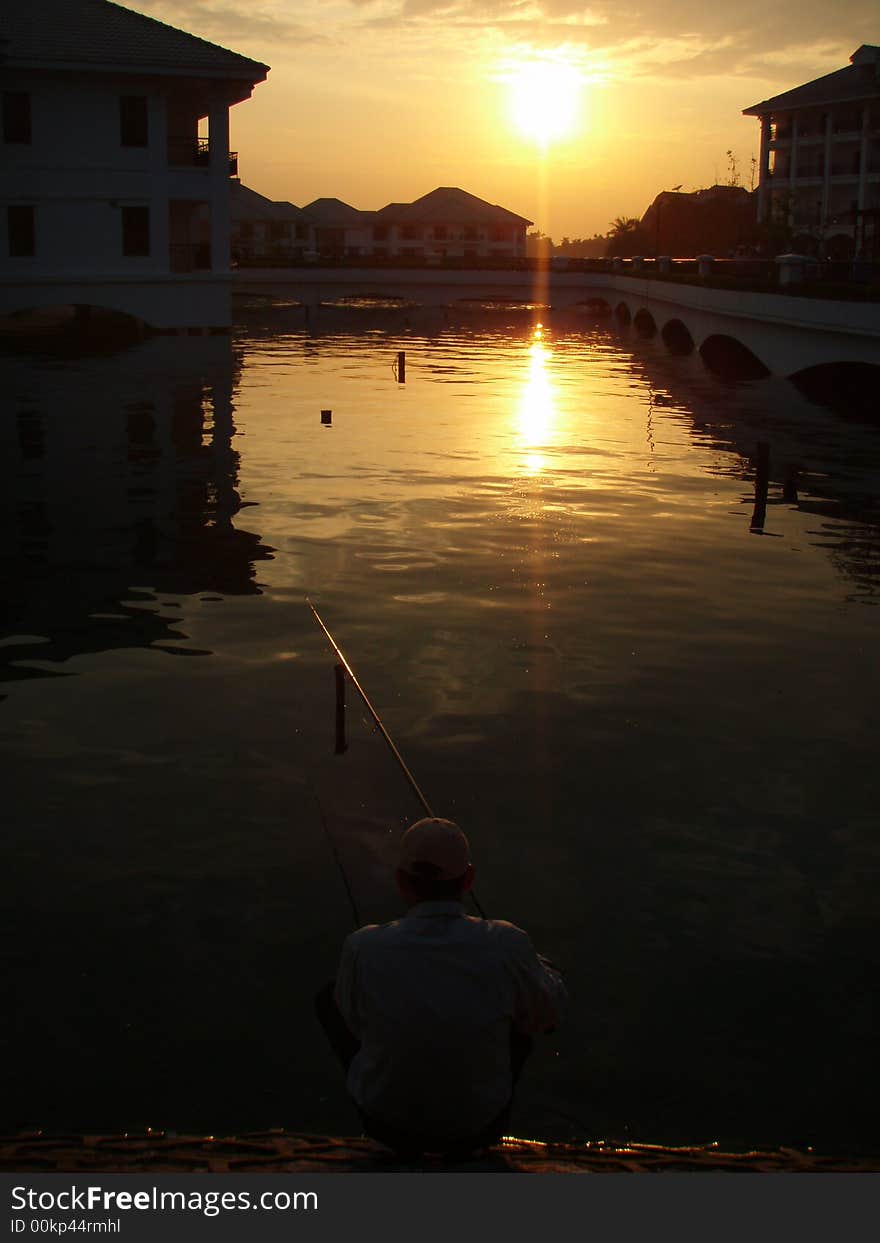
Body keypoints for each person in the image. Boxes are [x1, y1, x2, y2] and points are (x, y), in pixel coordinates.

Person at [316, 817, 566, 1156]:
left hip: (386, 1124)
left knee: (328, 999)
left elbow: (354, 1023)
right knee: (523, 1007)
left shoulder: (362, 947)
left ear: (402, 881)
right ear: (468, 880)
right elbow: (548, 1016)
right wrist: (535, 967)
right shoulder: (506, 942)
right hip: (478, 1127)